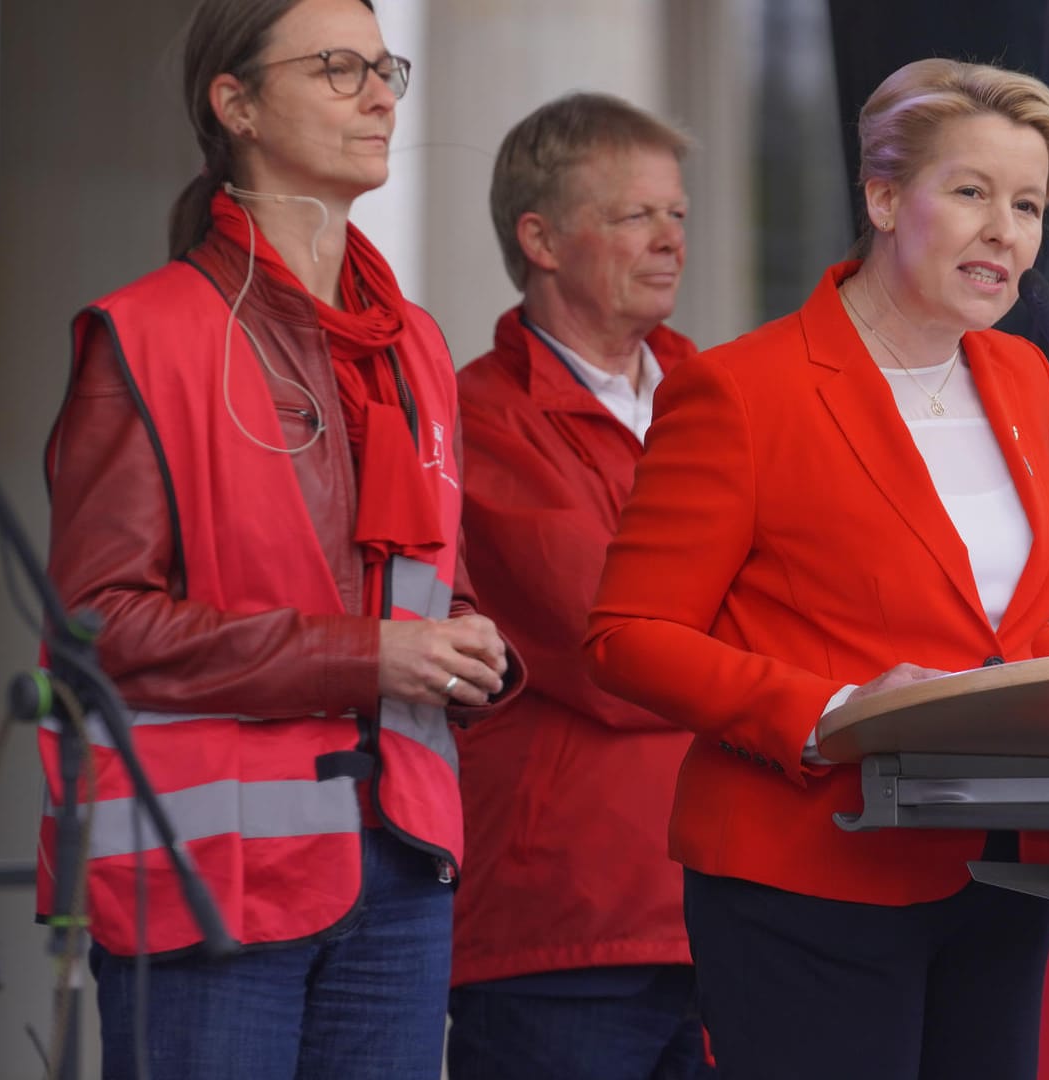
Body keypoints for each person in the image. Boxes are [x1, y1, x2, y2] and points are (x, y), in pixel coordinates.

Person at [38, 0, 520, 1076]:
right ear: (237, 104)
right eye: (338, 68)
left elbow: (437, 587)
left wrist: (478, 645)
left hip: (400, 859)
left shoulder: (416, 344)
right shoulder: (149, 332)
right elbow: (96, 624)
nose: (382, 93)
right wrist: (367, 654)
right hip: (211, 884)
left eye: (385, 66)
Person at [584, 58, 1049, 1079]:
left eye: (1027, 204)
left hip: (998, 870)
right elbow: (627, 638)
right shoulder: (742, 392)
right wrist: (838, 714)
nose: (1006, 232)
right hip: (810, 875)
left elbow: (1001, 623)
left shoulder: (1026, 376)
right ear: (884, 196)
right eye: (972, 193)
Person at [445, 92, 712, 1080]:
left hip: (731, 906)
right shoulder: (477, 417)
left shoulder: (721, 398)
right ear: (541, 238)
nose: (669, 241)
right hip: (562, 929)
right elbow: (618, 650)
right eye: (636, 215)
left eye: (678, 215)